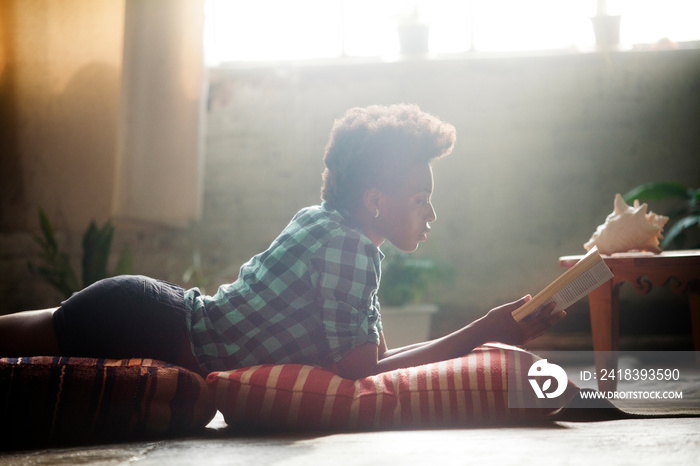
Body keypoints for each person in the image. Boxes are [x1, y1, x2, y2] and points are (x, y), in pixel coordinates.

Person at [0, 104, 565, 380]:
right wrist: (484, 331)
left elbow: (375, 358)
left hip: (143, 309)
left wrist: (489, 329)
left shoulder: (331, 228)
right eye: (419, 197)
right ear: (375, 200)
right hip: (145, 321)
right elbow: (364, 374)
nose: (431, 213)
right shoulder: (348, 248)